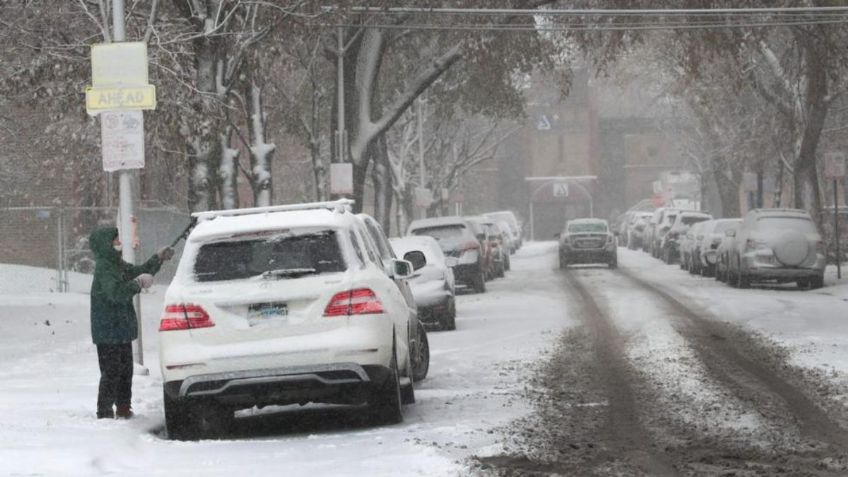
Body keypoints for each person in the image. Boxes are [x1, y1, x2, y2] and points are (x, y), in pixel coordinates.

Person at [88, 226, 174, 419]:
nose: (119, 243)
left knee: (125, 370)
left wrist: (158, 258)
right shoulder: (104, 266)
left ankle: (124, 408)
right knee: (111, 372)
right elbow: (115, 293)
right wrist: (137, 284)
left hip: (121, 329)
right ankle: (104, 412)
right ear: (105, 245)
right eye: (115, 240)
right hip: (108, 330)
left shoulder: (116, 264)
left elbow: (139, 271)